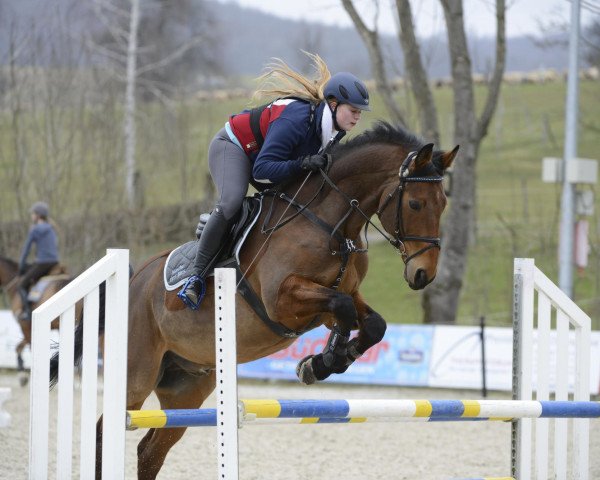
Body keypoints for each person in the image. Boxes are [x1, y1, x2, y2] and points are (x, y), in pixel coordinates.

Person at [178, 52, 370, 310]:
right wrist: (302, 164)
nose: (357, 118)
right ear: (333, 105)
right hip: (235, 147)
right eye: (353, 111)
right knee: (233, 201)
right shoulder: (298, 119)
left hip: (265, 158)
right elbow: (262, 170)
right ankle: (196, 276)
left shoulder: (334, 133)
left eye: (360, 113)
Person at [17, 201, 60, 321]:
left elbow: (26, 250)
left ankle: (27, 313)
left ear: (38, 215)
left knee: (21, 285)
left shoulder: (35, 229)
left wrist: (21, 267)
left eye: (33, 214)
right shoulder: (51, 228)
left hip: (42, 263)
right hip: (54, 262)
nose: (32, 216)